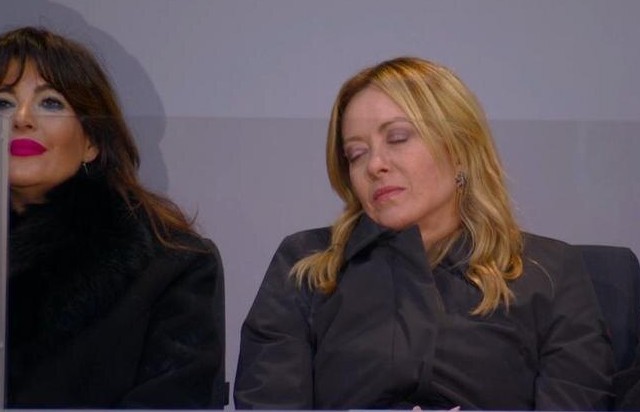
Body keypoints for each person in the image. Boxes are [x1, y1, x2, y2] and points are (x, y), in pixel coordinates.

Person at [234, 57, 614, 410]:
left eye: (398, 138)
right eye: (356, 154)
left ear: (460, 149)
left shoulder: (550, 272)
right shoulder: (305, 265)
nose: (375, 165)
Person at [1, 26, 225, 408]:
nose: (21, 119)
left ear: (91, 141)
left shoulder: (173, 264)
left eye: (50, 102)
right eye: (4, 103)